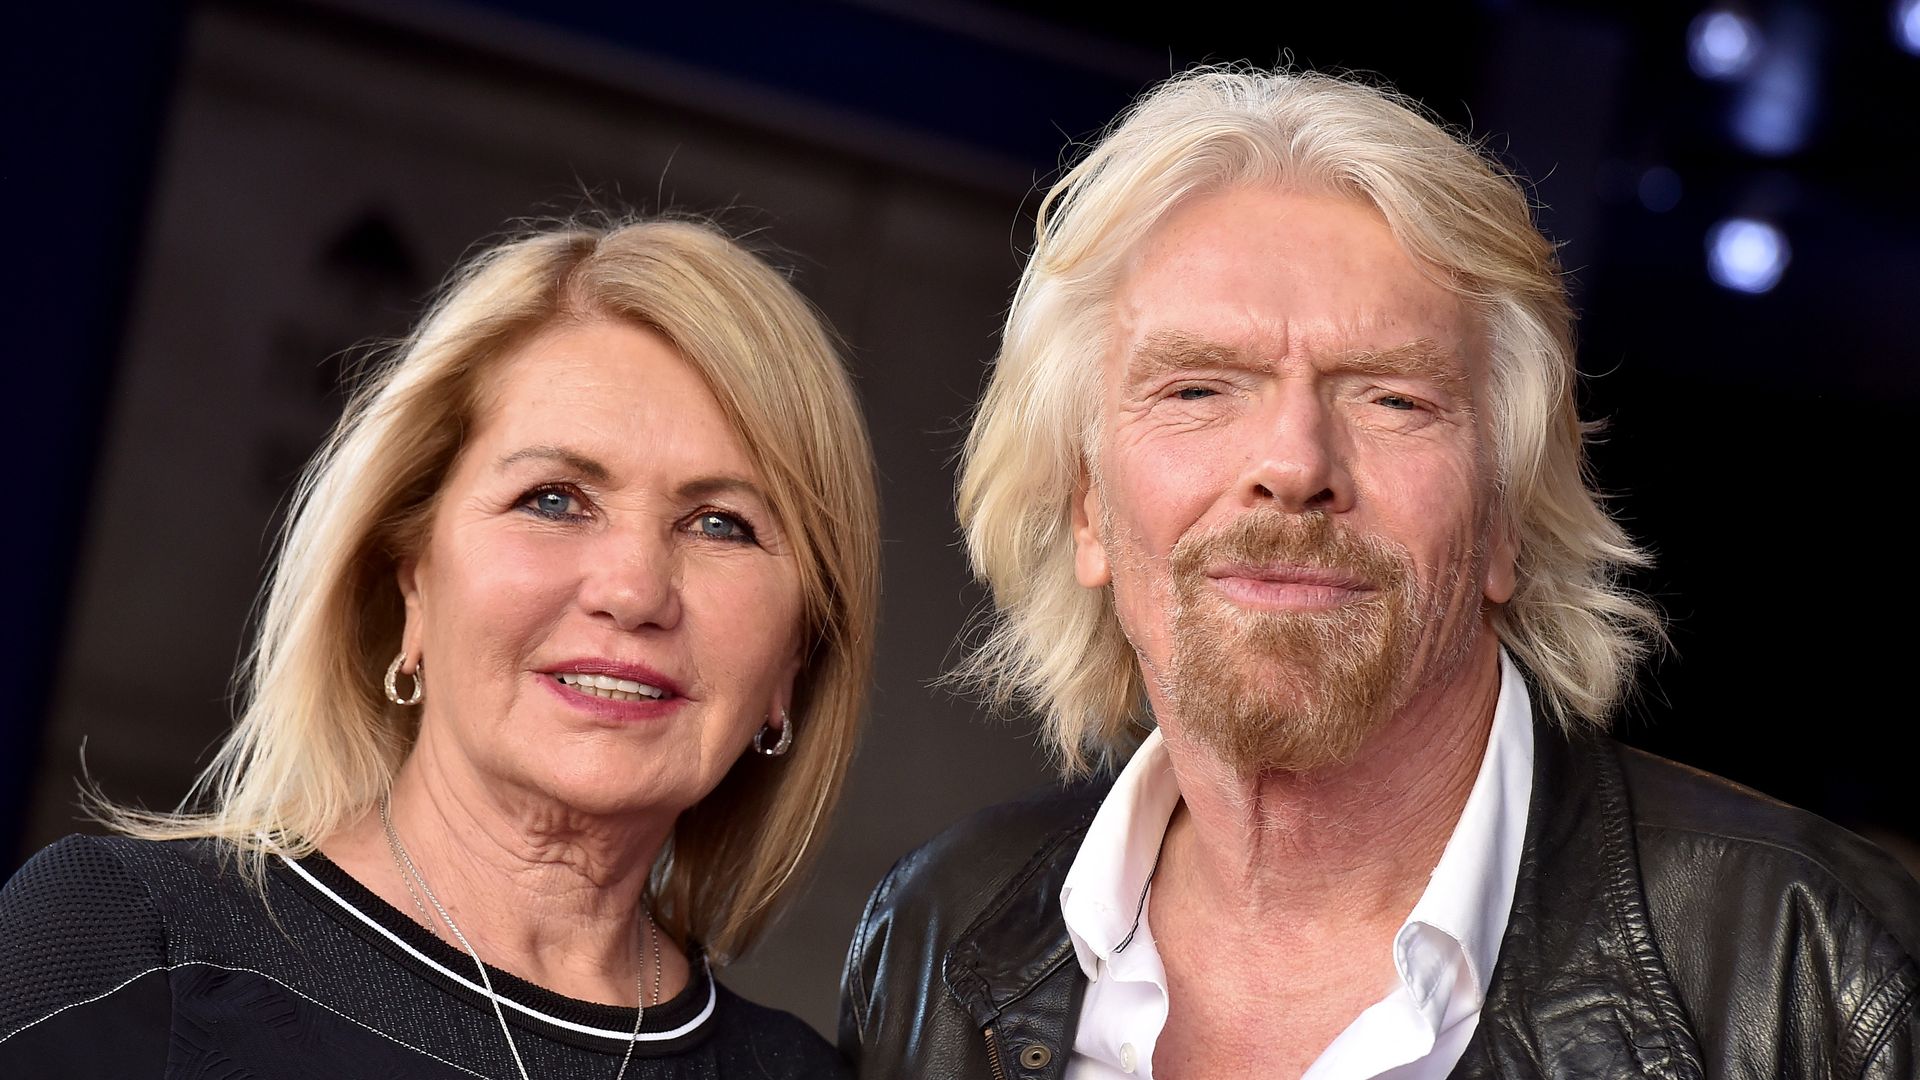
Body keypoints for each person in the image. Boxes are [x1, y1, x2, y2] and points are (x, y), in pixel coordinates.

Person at [840, 67, 1920, 1080]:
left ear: (1506, 519)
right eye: (1198, 391)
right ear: (1087, 507)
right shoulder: (933, 933)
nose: (1295, 465)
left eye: (1392, 397)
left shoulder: (1826, 970)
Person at [1, 217, 877, 1079]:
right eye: (554, 500)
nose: (633, 590)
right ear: (412, 577)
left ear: (795, 658)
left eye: (720, 524)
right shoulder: (124, 951)